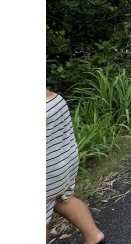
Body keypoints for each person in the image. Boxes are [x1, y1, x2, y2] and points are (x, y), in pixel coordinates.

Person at [46, 89, 105, 244]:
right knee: (63, 199)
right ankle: (93, 236)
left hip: (46, 171)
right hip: (64, 162)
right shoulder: (56, 99)